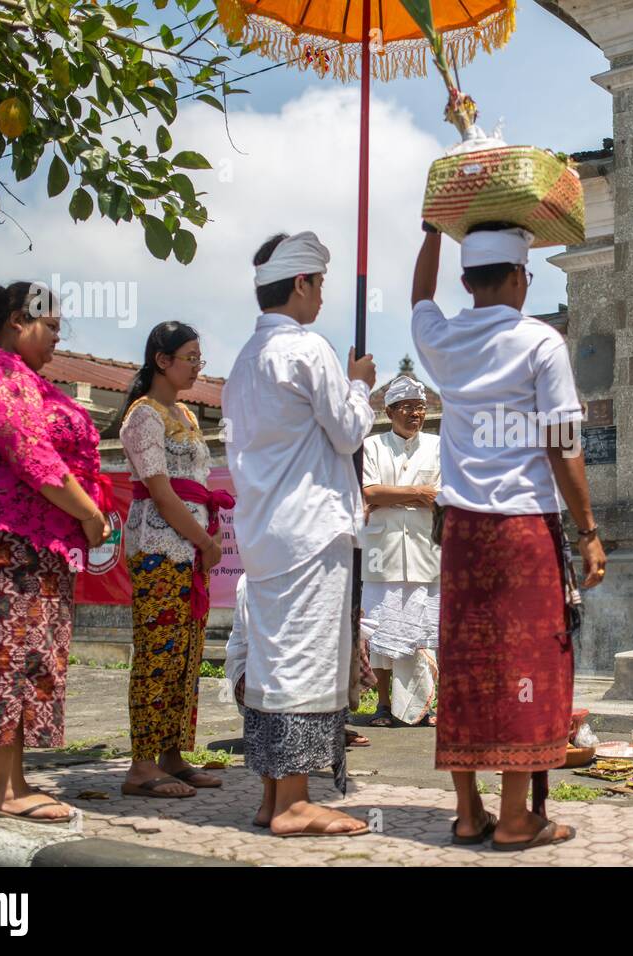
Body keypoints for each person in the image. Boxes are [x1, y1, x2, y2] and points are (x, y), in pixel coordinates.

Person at [411, 221, 606, 852]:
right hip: (523, 530)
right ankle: (517, 817)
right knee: (529, 665)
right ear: (520, 277)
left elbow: (419, 297)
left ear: (467, 281)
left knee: (467, 662)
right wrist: (589, 531)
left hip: (463, 532)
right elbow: (562, 443)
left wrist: (432, 232)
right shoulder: (540, 342)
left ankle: (469, 813)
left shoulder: (441, 340)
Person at [222, 231, 375, 837]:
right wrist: (359, 380)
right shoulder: (308, 351)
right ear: (303, 283)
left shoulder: (242, 362)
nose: (321, 299)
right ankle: (292, 801)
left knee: (272, 657)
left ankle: (271, 795)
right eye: (320, 285)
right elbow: (348, 430)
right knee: (305, 662)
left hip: (266, 531)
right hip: (310, 531)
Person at [0, 281, 111, 823]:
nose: (57, 340)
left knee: (17, 650)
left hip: (31, 533)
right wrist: (90, 514)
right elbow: (33, 457)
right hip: (14, 531)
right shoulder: (0, 375)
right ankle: (7, 789)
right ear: (19, 321)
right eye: (51, 328)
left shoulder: (19, 377)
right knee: (12, 653)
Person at [117, 322, 232, 798]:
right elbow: (162, 493)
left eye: (199, 359)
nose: (196, 367)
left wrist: (203, 542)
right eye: (189, 358)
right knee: (158, 653)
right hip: (161, 548)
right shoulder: (143, 416)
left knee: (186, 655)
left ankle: (172, 754)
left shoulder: (183, 411)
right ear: (162, 360)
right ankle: (141, 764)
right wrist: (205, 543)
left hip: (188, 549)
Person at [360, 375, 441, 728]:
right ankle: (382, 704)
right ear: (390, 411)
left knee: (424, 630)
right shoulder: (372, 446)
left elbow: (441, 494)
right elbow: (370, 492)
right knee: (381, 632)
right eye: (407, 407)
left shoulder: (439, 446)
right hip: (383, 552)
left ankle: (425, 705)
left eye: (420, 408)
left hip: (427, 551)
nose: (415, 414)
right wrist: (418, 495)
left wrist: (395, 496)